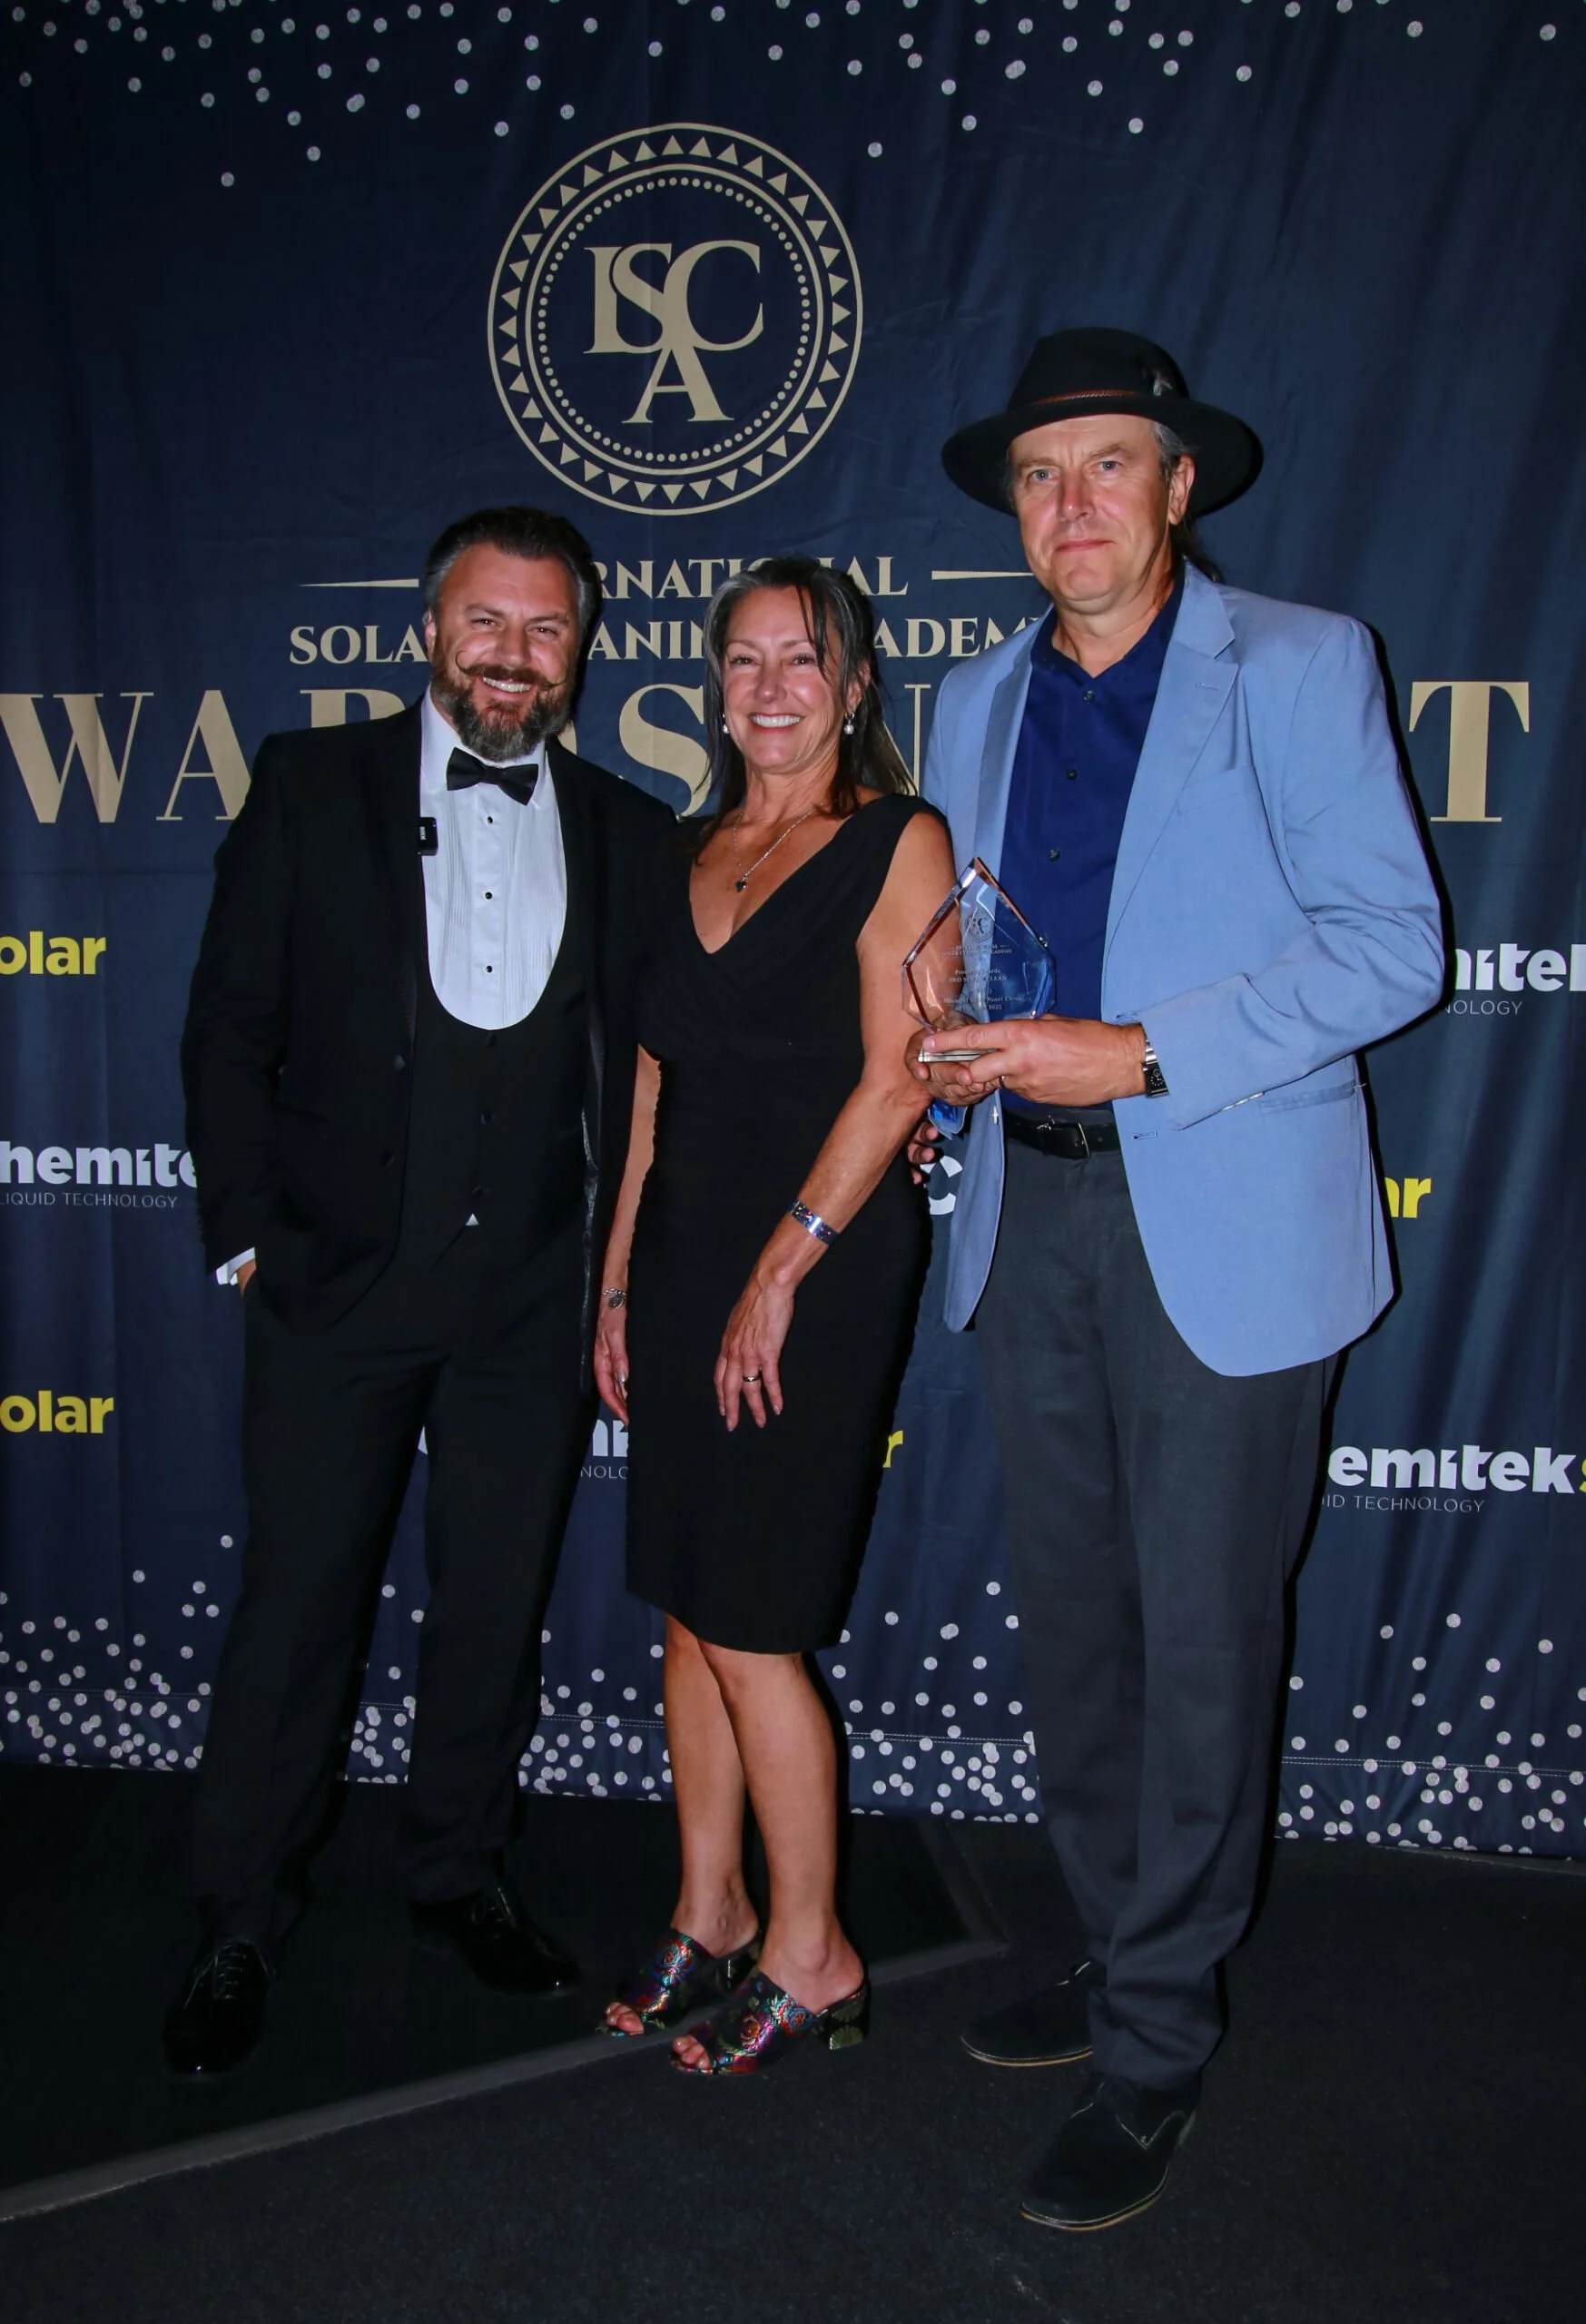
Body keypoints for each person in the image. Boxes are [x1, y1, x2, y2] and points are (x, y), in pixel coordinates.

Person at [911, 329, 1443, 2227]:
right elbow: (974, 941)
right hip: (1026, 1211)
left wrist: (1132, 1049)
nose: (1070, 504)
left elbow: (1395, 946)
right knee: (1078, 1626)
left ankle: (1159, 2043)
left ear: (1179, 484)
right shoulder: (973, 696)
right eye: (1040, 472)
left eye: (1108, 465)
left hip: (1212, 1206)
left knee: (1206, 1640)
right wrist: (955, 1055)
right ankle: (1121, 1942)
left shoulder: (1298, 661)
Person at [166, 506, 672, 2078]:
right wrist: (250, 1231)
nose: (513, 656)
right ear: (428, 629)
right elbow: (225, 1024)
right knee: (298, 1607)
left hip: (529, 1302)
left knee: (490, 1610)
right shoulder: (311, 786)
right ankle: (239, 1914)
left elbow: (657, 1077)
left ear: (579, 649)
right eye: (486, 623)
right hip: (334, 1290)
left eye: (543, 631)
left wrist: (619, 1278)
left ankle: (455, 1870)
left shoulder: (625, 823)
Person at [592, 559, 955, 2074]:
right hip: (681, 1264)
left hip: (820, 1264)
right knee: (685, 1609)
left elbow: (902, 1078)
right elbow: (651, 1091)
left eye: (799, 660)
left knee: (753, 1626)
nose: (768, 688)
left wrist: (780, 1268)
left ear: (854, 684)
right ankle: (713, 1907)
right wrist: (617, 1281)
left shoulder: (898, 841)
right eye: (740, 662)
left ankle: (818, 1952)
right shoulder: (683, 851)